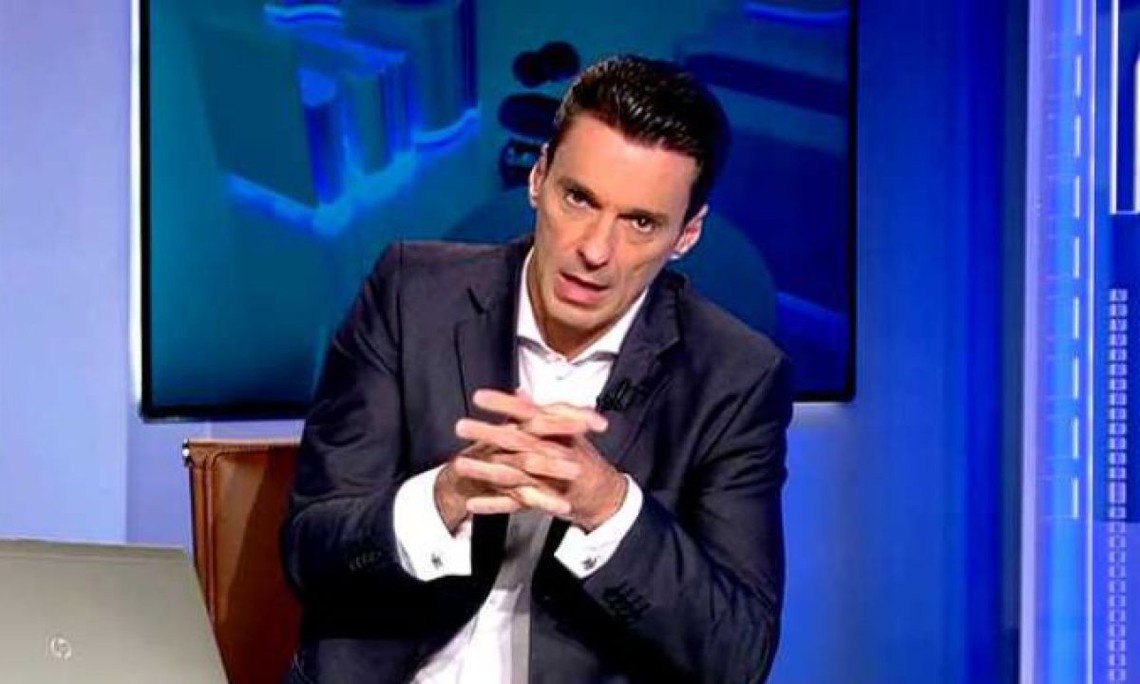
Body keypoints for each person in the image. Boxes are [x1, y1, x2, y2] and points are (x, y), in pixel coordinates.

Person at [281, 54, 793, 684]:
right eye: (579, 199)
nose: (595, 250)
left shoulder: (735, 378)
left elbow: (737, 656)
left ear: (687, 234)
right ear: (538, 178)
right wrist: (443, 499)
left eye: (640, 222)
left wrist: (608, 507)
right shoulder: (410, 295)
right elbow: (309, 553)